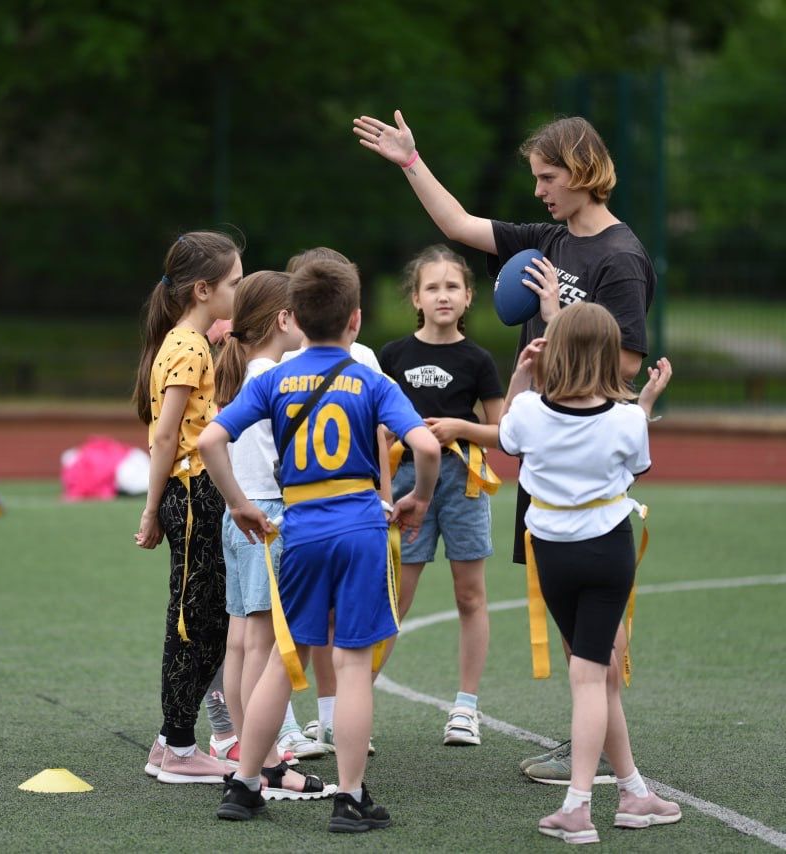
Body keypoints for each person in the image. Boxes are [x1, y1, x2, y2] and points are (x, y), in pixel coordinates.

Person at [353, 110, 656, 783]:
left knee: (591, 609)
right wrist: (410, 162)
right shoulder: (549, 239)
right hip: (545, 449)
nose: (539, 191)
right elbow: (459, 225)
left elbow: (626, 363)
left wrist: (558, 324)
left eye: (548, 178)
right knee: (568, 605)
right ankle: (594, 740)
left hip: (584, 450)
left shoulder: (621, 259)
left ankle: (604, 746)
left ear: (582, 171)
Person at [198, 258, 441, 832]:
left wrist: (238, 502)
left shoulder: (273, 379)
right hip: (359, 529)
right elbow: (427, 447)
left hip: (300, 529)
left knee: (286, 659)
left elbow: (211, 440)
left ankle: (246, 783)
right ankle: (350, 798)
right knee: (352, 665)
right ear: (355, 318)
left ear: (296, 319)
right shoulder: (371, 379)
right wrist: (419, 499)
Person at [439, 302, 676, 842]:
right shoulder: (627, 420)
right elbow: (635, 467)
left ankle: (634, 793)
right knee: (593, 675)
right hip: (606, 553)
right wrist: (644, 402)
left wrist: (521, 374)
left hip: (552, 556)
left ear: (555, 352)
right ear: (609, 357)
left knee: (599, 672)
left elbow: (507, 433)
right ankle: (579, 806)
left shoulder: (528, 412)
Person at [208, 269, 331, 797]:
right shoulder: (274, 378)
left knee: (241, 641)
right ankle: (265, 765)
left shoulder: (244, 372)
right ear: (284, 319)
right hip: (268, 516)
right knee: (262, 645)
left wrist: (236, 501)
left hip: (239, 515)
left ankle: (251, 755)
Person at [377, 244, 505, 747]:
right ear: (416, 298)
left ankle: (466, 708)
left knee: (469, 595)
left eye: (453, 286)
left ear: (469, 296)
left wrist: (459, 427)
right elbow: (375, 425)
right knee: (394, 597)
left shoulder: (478, 360)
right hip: (406, 482)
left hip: (462, 482)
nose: (443, 295)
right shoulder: (392, 356)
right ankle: (352, 705)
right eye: (432, 287)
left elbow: (503, 432)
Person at [133, 230, 243, 785]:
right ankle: (177, 746)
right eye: (234, 283)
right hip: (194, 493)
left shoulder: (190, 342)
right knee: (193, 623)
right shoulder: (189, 346)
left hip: (199, 493)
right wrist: (152, 508)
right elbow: (165, 436)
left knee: (208, 620)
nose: (240, 292)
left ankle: (170, 741)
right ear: (203, 290)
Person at [279, 246, 390, 759]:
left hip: (303, 516)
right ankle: (342, 771)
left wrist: (241, 501)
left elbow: (218, 438)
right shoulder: (351, 364)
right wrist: (395, 499)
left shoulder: (284, 368)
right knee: (344, 643)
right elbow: (409, 438)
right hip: (351, 515)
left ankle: (256, 770)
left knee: (296, 636)